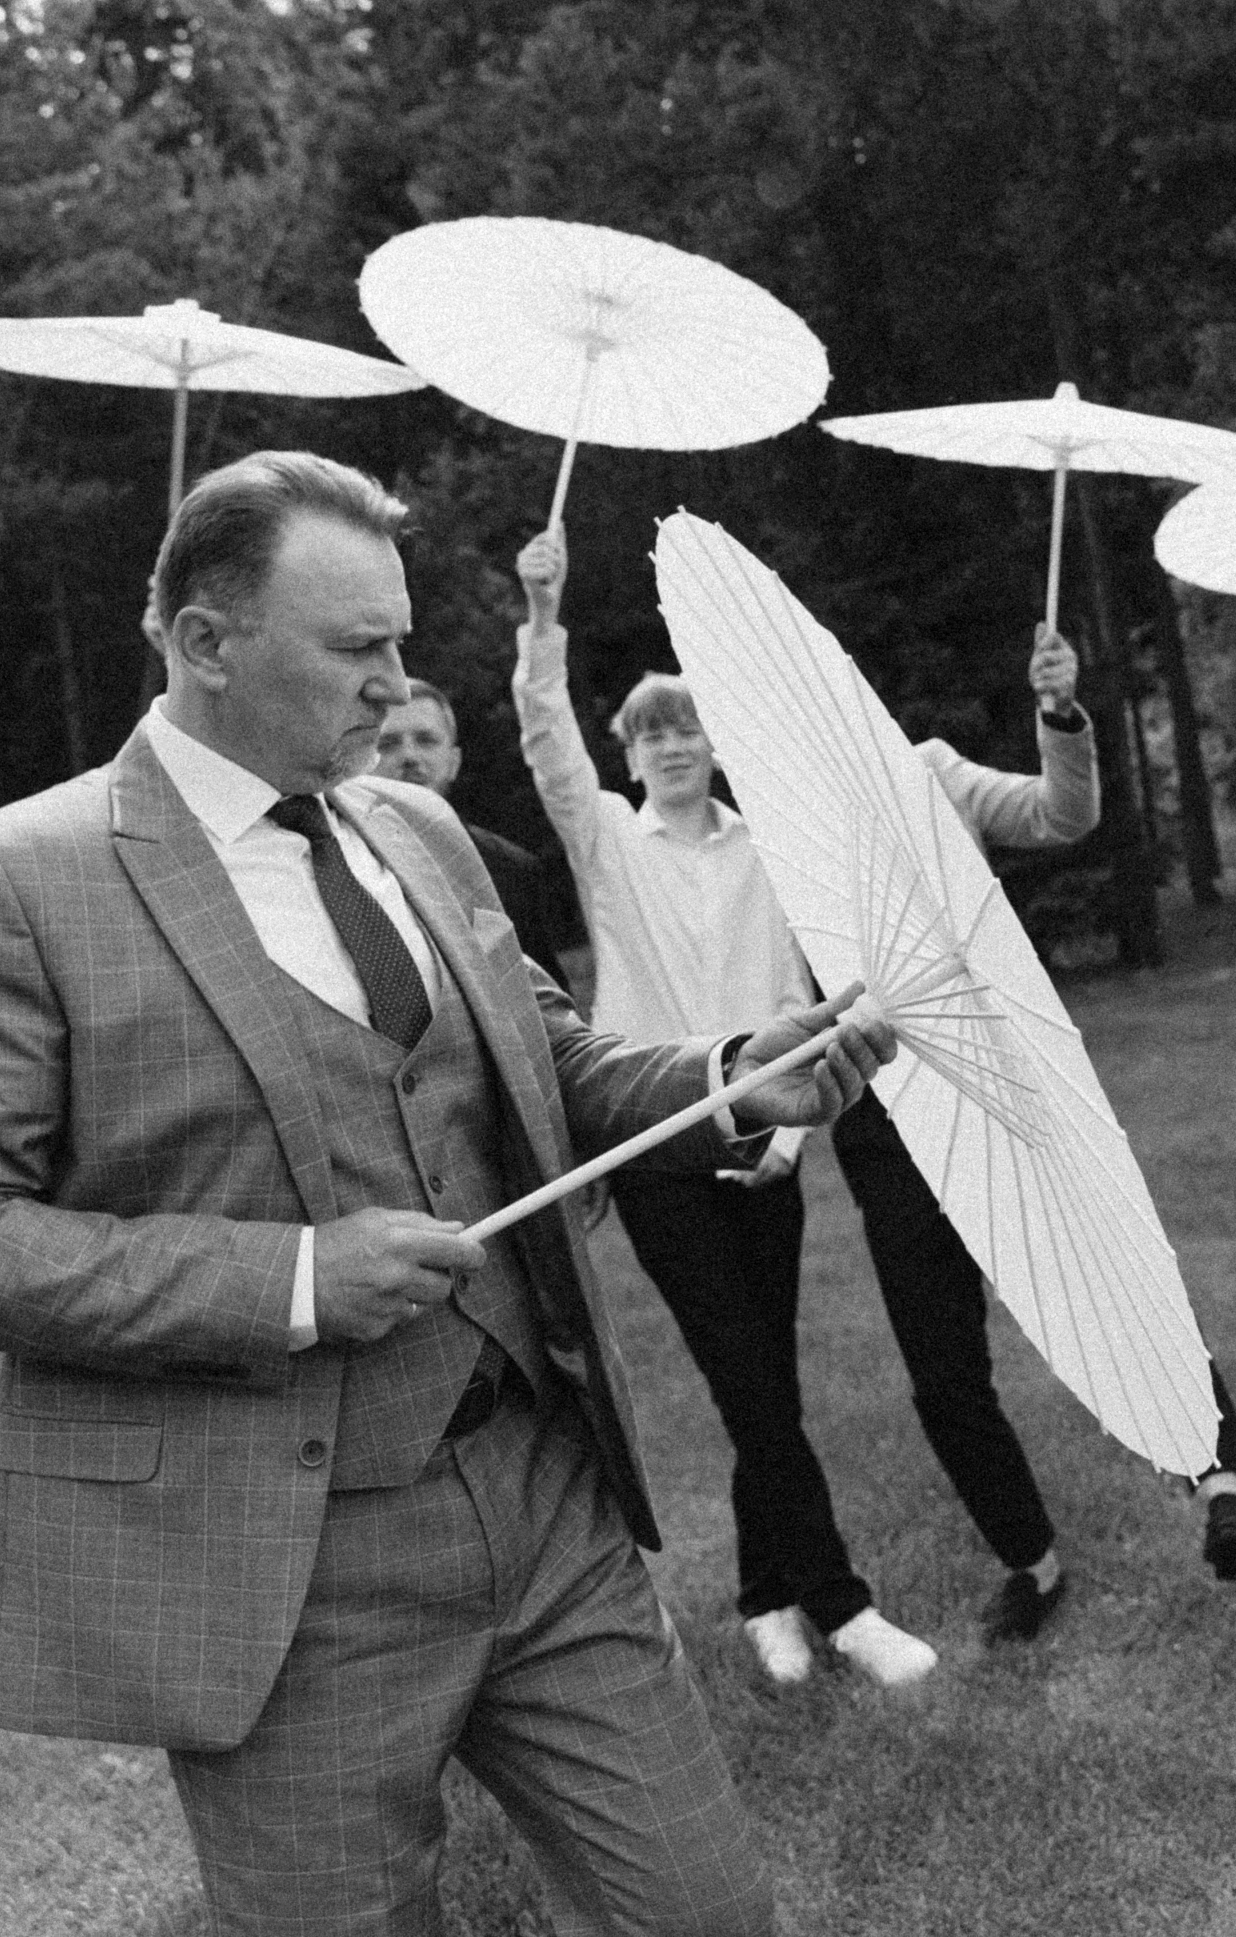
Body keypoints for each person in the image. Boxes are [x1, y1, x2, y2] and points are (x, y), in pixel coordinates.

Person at [0, 451, 897, 1937]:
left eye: (399, 640)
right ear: (205, 642)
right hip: (281, 1568)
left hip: (542, 1495)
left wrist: (730, 1075)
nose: (396, 683)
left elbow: (549, 1060)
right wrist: (291, 1282)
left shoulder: (419, 829)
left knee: (710, 1914)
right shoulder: (21, 879)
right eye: (358, 647)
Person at [511, 527, 938, 1692]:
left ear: (715, 744)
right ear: (629, 754)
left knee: (770, 1385)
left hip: (764, 1149)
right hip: (656, 1149)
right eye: (649, 733)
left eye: (687, 729)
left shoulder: (769, 851)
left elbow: (799, 1002)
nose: (670, 747)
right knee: (747, 1382)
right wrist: (543, 616)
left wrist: (790, 1137)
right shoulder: (608, 840)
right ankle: (844, 1605)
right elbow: (546, 741)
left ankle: (765, 1599)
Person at [828, 631, 1236, 1637]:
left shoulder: (932, 772)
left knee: (1110, 1272)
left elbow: (1061, 813)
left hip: (998, 1080)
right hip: (882, 1122)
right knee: (942, 1366)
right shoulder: (785, 835)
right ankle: (1029, 1564)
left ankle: (1218, 1485)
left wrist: (1060, 714)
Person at [376, 676, 573, 990]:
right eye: (388, 744)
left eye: (426, 740)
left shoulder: (511, 869)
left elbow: (546, 1001)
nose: (409, 756)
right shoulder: (335, 865)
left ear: (454, 762)